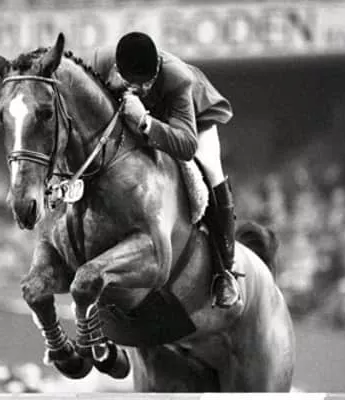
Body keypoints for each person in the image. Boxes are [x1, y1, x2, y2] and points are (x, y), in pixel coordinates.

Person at [91, 31, 241, 310]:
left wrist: (145, 121)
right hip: (135, 117)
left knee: (210, 169)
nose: (140, 90)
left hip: (192, 117)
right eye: (132, 83)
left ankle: (225, 271)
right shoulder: (101, 62)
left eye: (146, 83)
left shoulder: (178, 78)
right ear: (117, 70)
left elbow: (186, 145)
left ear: (157, 70)